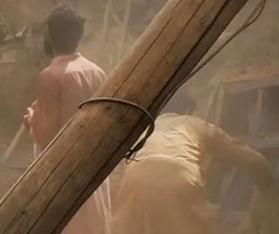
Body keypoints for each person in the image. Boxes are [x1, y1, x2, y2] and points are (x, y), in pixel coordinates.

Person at [110, 92, 276, 234]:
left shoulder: (142, 128)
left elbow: (116, 172)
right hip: (180, 179)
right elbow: (243, 155)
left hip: (134, 180)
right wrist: (265, 176)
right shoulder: (194, 123)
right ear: (187, 109)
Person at [24, 5, 111, 234]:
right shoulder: (96, 72)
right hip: (93, 165)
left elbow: (45, 135)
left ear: (49, 35)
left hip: (63, 173)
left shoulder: (50, 76)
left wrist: (32, 120)